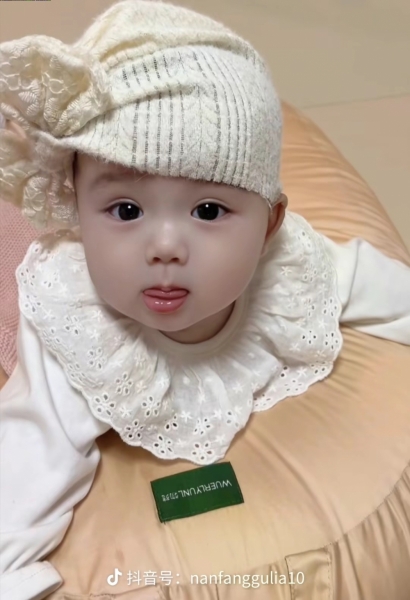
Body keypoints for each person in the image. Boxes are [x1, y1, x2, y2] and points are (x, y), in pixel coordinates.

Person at [0, 0, 409, 598]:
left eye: (209, 210)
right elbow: (25, 458)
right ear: (80, 215)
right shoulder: (76, 325)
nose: (165, 247)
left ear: (269, 227)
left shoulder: (291, 270)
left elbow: (389, 290)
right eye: (126, 210)